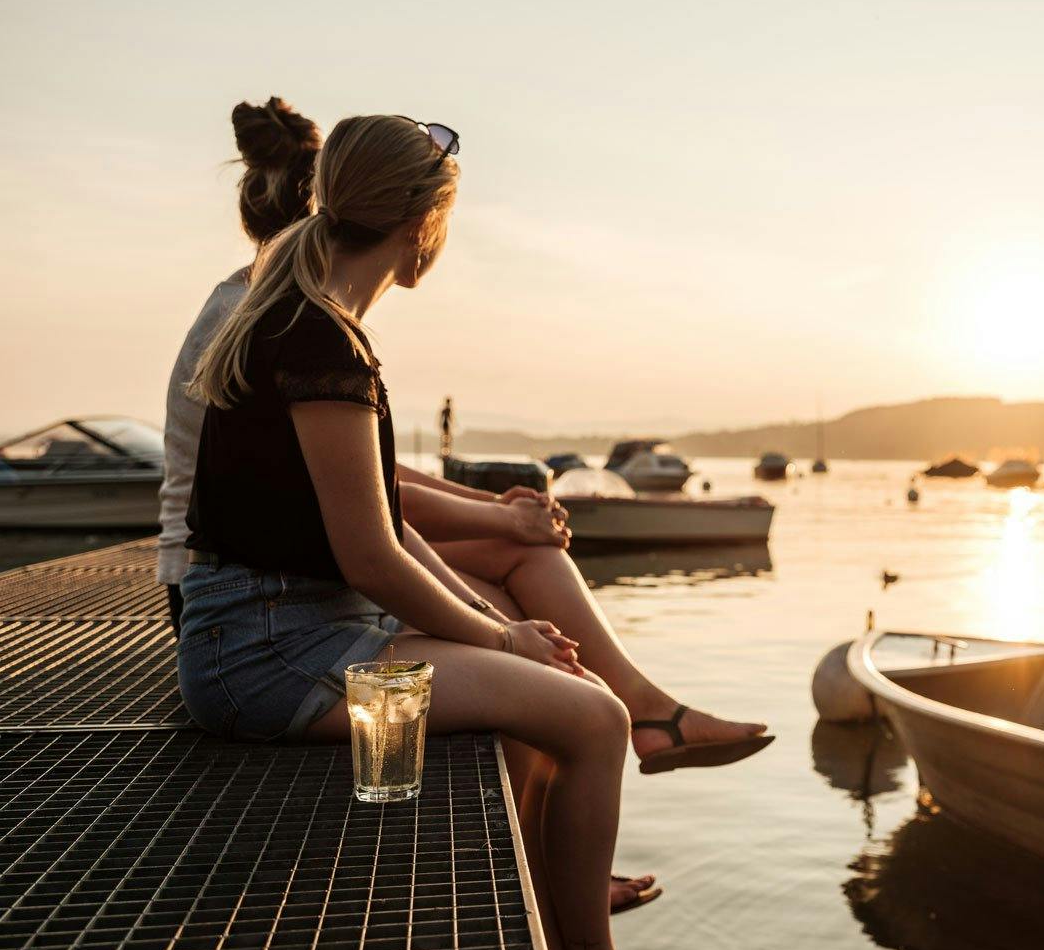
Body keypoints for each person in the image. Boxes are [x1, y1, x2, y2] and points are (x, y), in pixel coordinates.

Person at [178, 114, 683, 950]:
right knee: (596, 719)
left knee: (544, 715)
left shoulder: (306, 320)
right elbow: (371, 557)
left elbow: (391, 530)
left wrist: (503, 631)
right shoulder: (320, 342)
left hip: (287, 636)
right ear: (424, 227)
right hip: (272, 664)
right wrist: (503, 640)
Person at [160, 99, 770, 776]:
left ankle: (642, 718)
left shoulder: (296, 315)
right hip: (265, 619)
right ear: (419, 225)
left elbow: (373, 501)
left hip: (286, 599)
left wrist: (496, 582)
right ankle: (626, 733)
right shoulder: (298, 329)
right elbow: (370, 536)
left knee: (533, 613)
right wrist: (500, 626)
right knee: (565, 683)